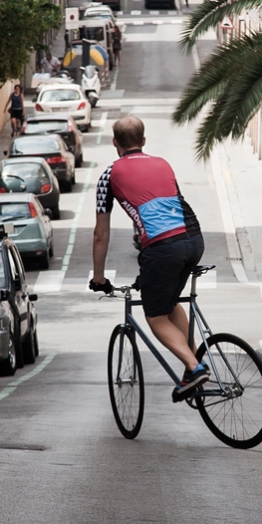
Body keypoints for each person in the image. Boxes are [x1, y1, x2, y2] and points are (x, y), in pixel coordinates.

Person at [90, 116, 208, 401]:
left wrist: (99, 277)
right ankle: (194, 364)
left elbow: (100, 235)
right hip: (194, 239)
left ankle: (194, 367)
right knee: (168, 302)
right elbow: (175, 204)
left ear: (115, 142)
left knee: (155, 317)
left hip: (162, 248)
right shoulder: (163, 164)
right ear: (143, 141)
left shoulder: (108, 175)